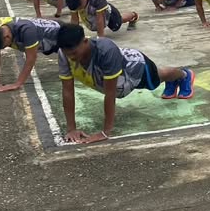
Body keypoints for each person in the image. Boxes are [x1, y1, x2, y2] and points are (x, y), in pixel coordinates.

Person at [56, 23, 195, 144]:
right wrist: (71, 129)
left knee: (158, 78)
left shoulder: (105, 50)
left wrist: (105, 132)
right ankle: (173, 81)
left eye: (74, 53)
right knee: (126, 85)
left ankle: (184, 75)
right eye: (67, 54)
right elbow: (67, 91)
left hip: (135, 67)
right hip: (118, 74)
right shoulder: (64, 54)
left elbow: (110, 94)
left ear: (85, 41)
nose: (71, 57)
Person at [0, 16, 61, 93]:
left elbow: (31, 58)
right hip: (40, 39)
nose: (4, 48)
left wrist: (17, 84)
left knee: (67, 65)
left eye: (4, 46)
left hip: (59, 35)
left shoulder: (27, 31)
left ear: (7, 37)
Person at [65, 0, 139, 37]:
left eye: (80, 8)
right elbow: (74, 19)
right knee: (92, 26)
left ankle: (133, 15)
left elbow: (100, 19)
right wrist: (74, 36)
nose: (79, 10)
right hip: (91, 10)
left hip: (102, 9)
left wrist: (101, 38)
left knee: (116, 24)